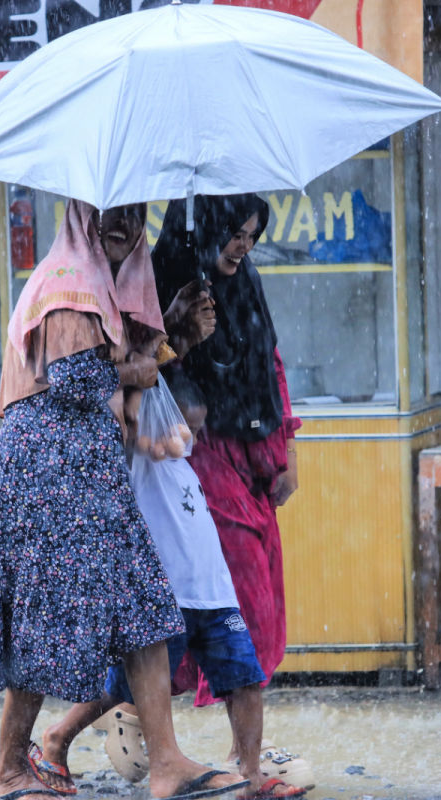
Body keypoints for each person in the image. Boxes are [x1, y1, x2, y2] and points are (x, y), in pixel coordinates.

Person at [0, 199, 247, 800]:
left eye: (133, 211)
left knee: (146, 609)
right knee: (41, 619)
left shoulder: (105, 288)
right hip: (45, 472)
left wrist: (170, 331)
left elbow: (127, 362)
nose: (123, 222)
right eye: (108, 211)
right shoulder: (67, 280)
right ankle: (10, 769)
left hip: (91, 474)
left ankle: (167, 764)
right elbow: (75, 377)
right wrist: (142, 366)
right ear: (81, 216)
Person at [30, 370, 305, 800]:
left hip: (215, 596)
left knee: (246, 680)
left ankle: (249, 774)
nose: (188, 438)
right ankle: (57, 737)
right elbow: (120, 404)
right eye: (182, 426)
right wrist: (139, 389)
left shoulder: (186, 467)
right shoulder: (138, 461)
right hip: (165, 599)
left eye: (195, 429)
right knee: (122, 689)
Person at [150, 194, 311, 786]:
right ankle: (241, 764)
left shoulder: (245, 284)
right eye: (234, 233)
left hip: (253, 461)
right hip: (202, 463)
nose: (243, 246)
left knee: (233, 613)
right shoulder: (169, 284)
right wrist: (181, 331)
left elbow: (270, 363)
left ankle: (235, 760)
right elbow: (146, 372)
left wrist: (286, 449)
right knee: (239, 614)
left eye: (251, 235)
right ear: (207, 228)